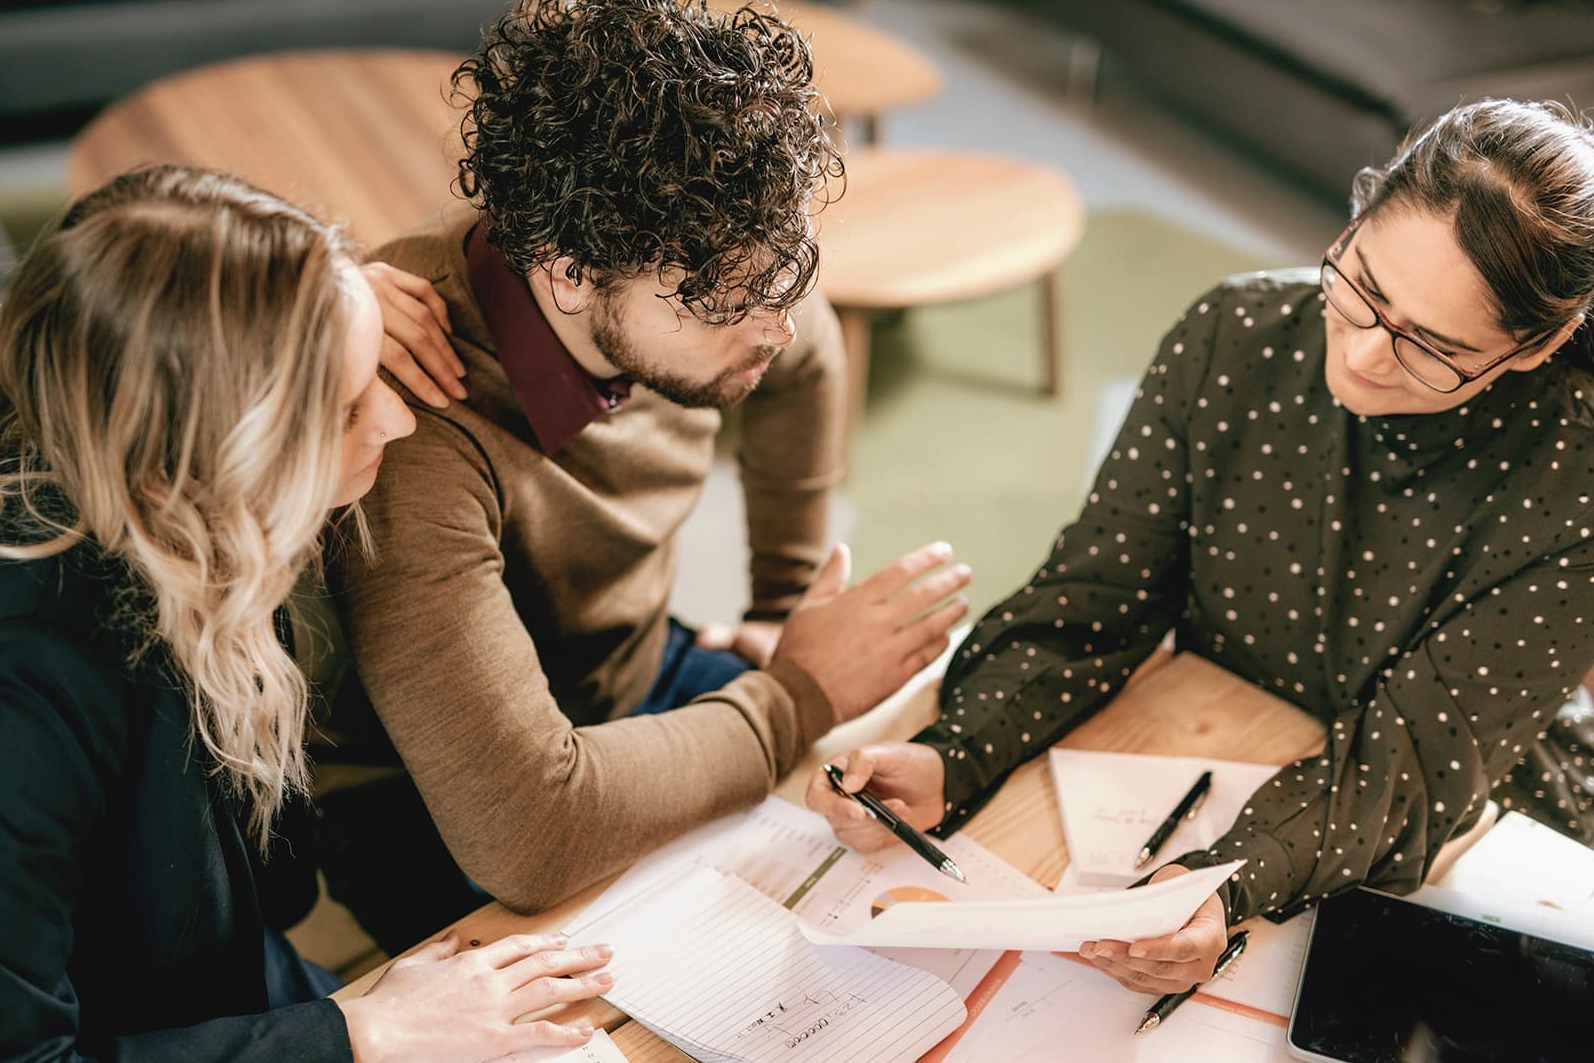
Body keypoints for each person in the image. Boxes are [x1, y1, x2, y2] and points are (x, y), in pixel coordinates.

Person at [807, 97, 1594, 997]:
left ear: (1539, 346)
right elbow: (1093, 596)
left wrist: (1227, 883)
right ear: (1360, 211)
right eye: (1364, 286)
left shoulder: (1575, 485)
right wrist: (957, 752)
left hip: (1459, 817)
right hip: (1212, 739)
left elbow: (1407, 768)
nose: (1368, 355)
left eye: (1431, 347)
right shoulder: (1236, 336)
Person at [318, 0, 972, 955]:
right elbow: (528, 834)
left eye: (785, 278)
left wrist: (781, 606)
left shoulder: (720, 252)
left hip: (627, 671)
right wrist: (795, 692)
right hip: (437, 790)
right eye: (736, 303)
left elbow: (808, 351)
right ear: (571, 271)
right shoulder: (413, 417)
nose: (776, 324)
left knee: (878, 834)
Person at [0, 165, 614, 1062]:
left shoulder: (155, 486)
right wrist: (361, 1031)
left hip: (243, 983)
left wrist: (327, 306)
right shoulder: (29, 696)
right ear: (198, 461)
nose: (399, 422)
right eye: (346, 404)